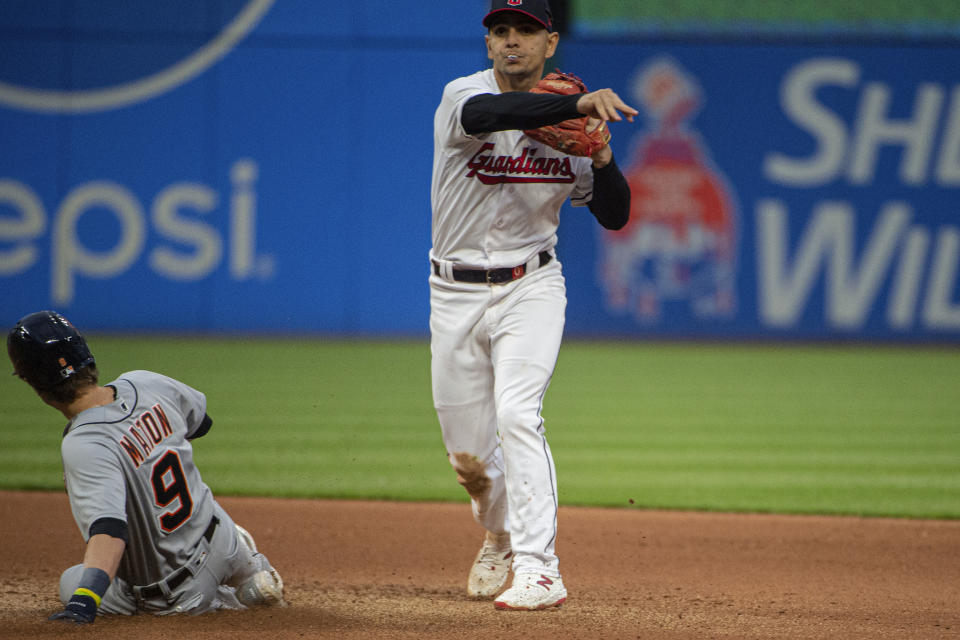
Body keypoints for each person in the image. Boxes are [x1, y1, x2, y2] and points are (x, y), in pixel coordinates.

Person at [429, 0, 637, 611]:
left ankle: (540, 567)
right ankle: (498, 533)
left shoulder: (573, 126)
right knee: (468, 456)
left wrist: (601, 156)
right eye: (501, 31)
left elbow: (616, 214)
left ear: (550, 43)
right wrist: (574, 105)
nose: (511, 40)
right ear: (489, 44)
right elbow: (494, 112)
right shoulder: (462, 96)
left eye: (527, 30)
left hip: (532, 286)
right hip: (454, 291)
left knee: (519, 414)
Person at [6, 310, 287, 623]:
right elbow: (200, 424)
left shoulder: (84, 444)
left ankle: (224, 601)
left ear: (34, 383)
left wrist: (82, 603)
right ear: (86, 356)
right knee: (203, 513)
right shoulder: (146, 382)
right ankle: (251, 574)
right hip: (221, 537)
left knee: (72, 581)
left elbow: (110, 532)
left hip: (181, 592)